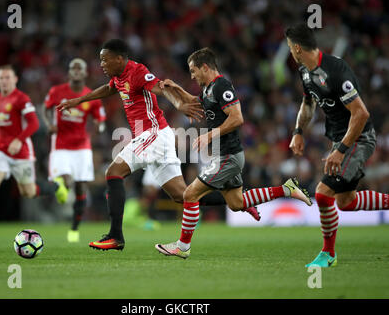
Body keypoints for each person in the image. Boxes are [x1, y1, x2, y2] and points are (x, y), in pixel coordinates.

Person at [57, 39, 259, 251]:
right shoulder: (118, 78)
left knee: (113, 172)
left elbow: (161, 88)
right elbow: (107, 90)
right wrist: (78, 100)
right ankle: (241, 203)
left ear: (119, 59)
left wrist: (180, 104)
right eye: (101, 61)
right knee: (183, 196)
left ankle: (115, 236)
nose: (102, 65)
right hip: (158, 138)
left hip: (153, 134)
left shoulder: (137, 71)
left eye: (105, 60)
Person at [154, 47, 312, 259]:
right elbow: (195, 103)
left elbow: (237, 118)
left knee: (190, 194)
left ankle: (182, 247)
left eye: (193, 70)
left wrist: (209, 136)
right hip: (226, 155)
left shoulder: (222, 86)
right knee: (236, 203)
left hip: (227, 156)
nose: (192, 75)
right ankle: (287, 190)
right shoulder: (209, 89)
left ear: (205, 67)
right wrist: (175, 88)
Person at [285, 24, 388, 267]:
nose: (290, 52)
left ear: (297, 48)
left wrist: (340, 151)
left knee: (322, 193)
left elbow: (361, 114)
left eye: (290, 48)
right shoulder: (305, 72)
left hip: (358, 138)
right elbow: (308, 103)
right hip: (340, 140)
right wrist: (299, 131)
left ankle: (328, 254)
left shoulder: (336, 70)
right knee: (346, 202)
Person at [0, 65, 69, 239]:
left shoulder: (21, 99)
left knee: (28, 192)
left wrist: (18, 139)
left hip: (21, 152)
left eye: (7, 78)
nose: (4, 81)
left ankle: (56, 186)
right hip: (1, 150)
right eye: (1, 78)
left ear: (15, 80)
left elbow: (34, 124)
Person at [43, 58, 107, 243]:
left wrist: (97, 129)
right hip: (61, 143)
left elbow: (100, 120)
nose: (77, 71)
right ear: (69, 72)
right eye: (73, 68)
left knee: (80, 188)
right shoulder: (57, 92)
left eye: (80, 68)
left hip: (82, 146)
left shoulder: (91, 96)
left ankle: (74, 227)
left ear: (86, 73)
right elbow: (46, 109)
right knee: (67, 179)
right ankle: (62, 185)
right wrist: (49, 124)